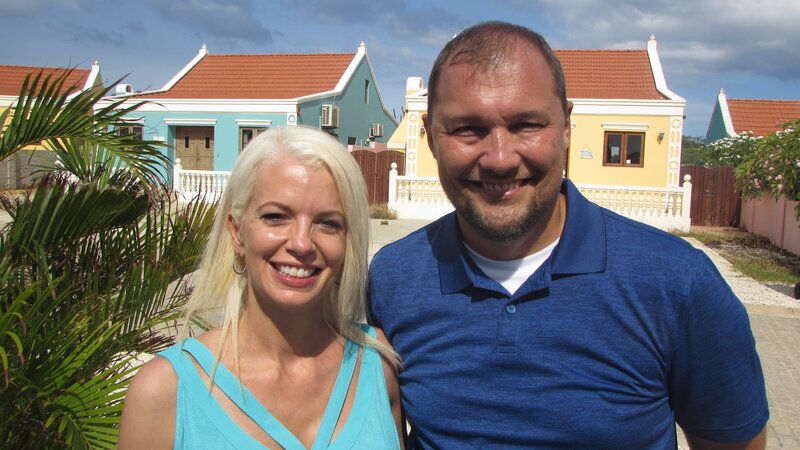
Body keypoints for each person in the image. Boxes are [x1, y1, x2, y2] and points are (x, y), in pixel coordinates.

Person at [368, 21, 768, 449]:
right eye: (468, 129)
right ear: (431, 137)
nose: (500, 159)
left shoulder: (677, 283)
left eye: (526, 125)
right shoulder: (392, 279)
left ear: (565, 128)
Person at [120, 126, 404, 449]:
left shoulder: (378, 365)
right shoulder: (164, 391)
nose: (301, 243)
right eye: (275, 217)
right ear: (237, 232)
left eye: (328, 223)